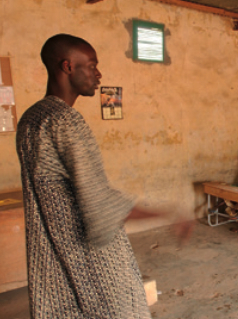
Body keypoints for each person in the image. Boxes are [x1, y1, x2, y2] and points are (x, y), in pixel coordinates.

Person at [16, 34, 192, 318]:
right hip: (89, 259)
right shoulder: (66, 121)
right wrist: (169, 212)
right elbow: (100, 207)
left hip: (53, 252)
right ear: (68, 67)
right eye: (92, 65)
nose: (98, 74)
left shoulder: (31, 118)